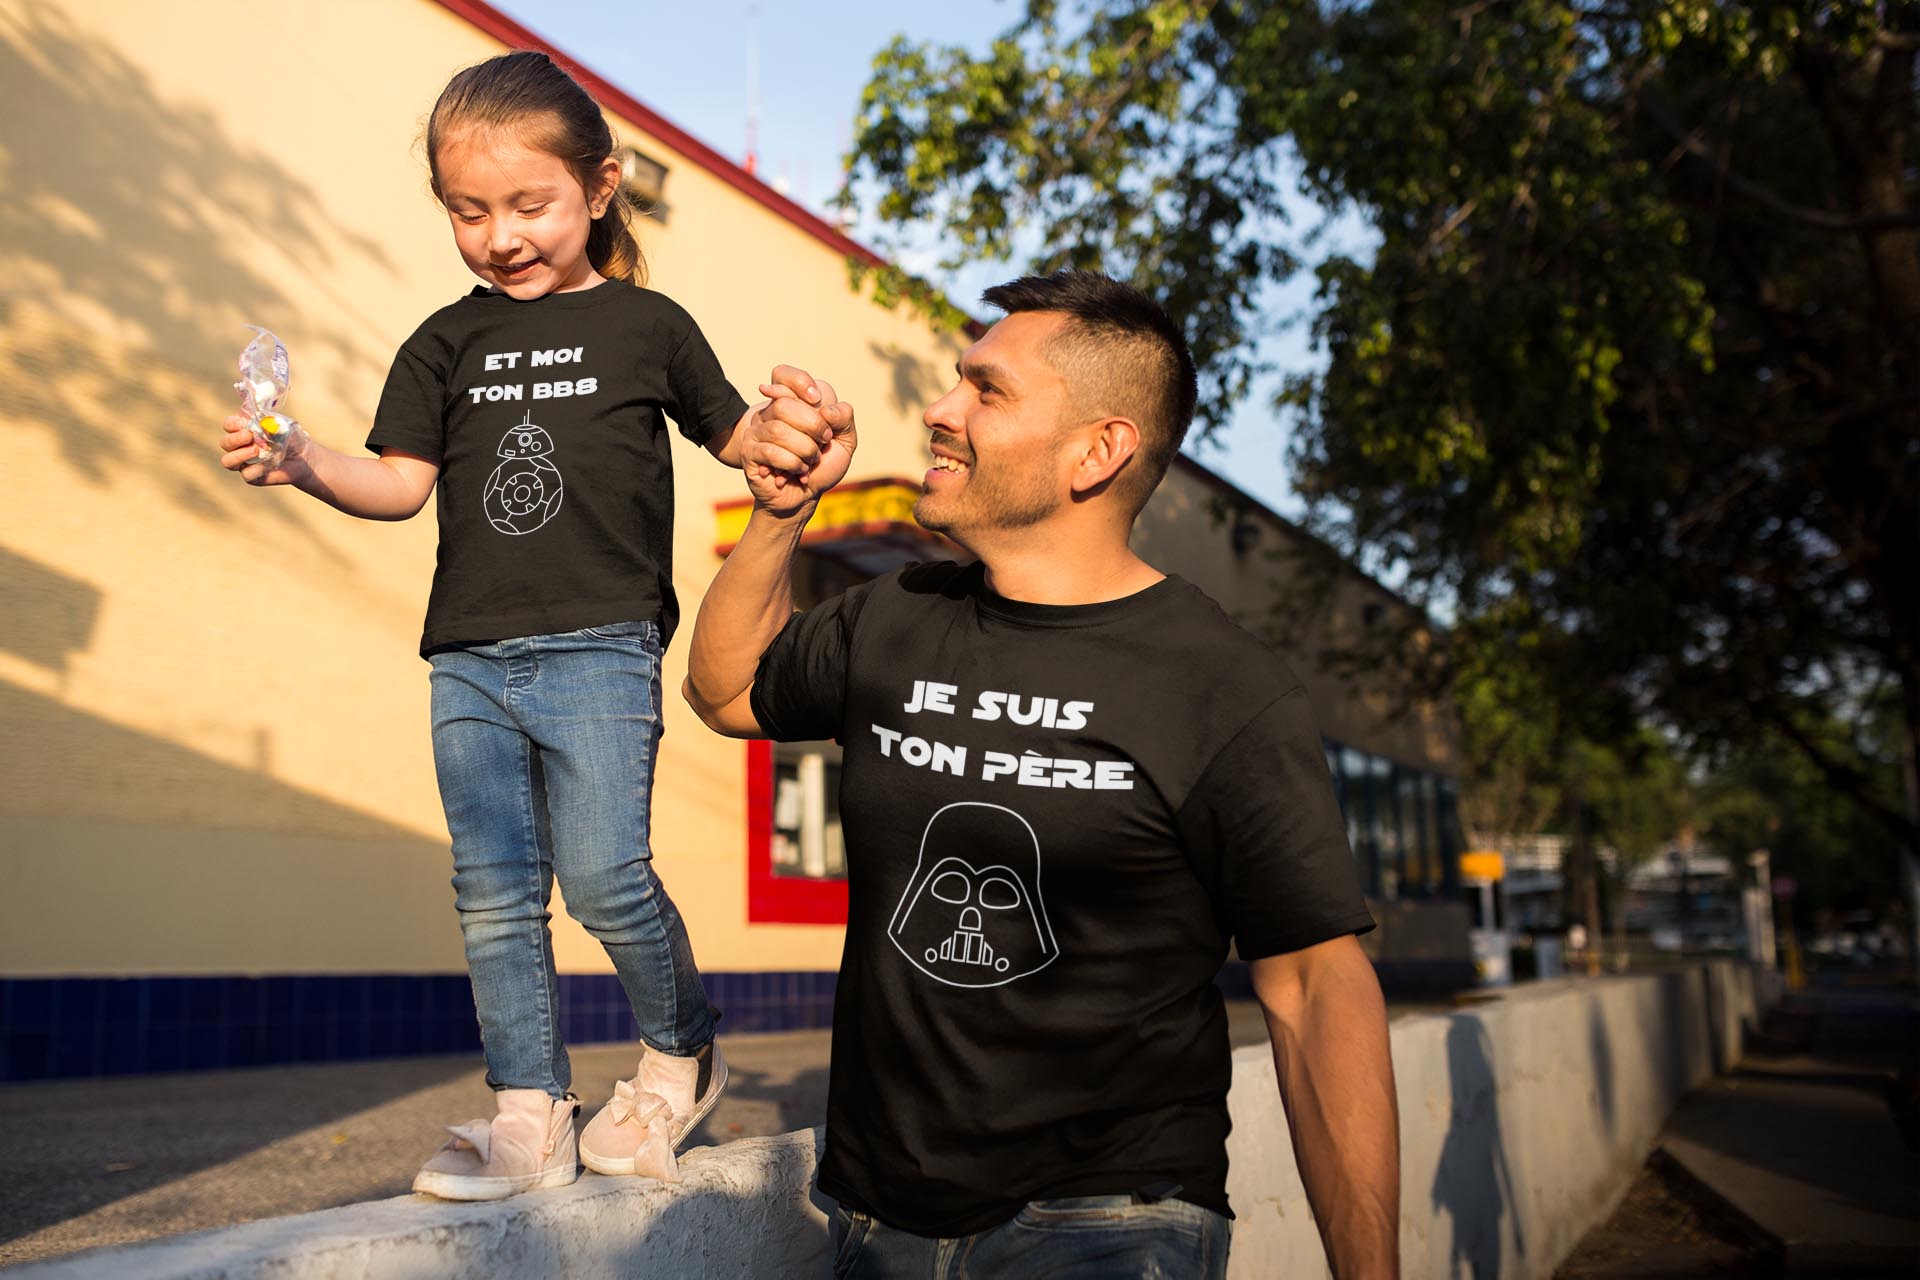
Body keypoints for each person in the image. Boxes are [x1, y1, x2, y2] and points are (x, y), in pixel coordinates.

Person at [685, 271, 1401, 1277]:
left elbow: (1317, 985)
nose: (940, 409)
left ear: (1097, 451)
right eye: (956, 382)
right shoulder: (899, 614)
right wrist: (780, 513)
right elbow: (725, 692)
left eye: (988, 389)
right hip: (878, 1220)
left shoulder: (1220, 683)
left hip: (1110, 1221)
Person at [217, 51, 792, 1201]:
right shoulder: (444, 341)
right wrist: (304, 456)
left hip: (600, 646)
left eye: (528, 205)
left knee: (606, 875)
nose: (499, 236)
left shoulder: (649, 325)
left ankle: (685, 1046)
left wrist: (798, 432)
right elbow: (398, 482)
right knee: (491, 889)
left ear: (601, 185)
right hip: (469, 658)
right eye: (467, 211)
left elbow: (743, 441)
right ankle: (527, 1108)